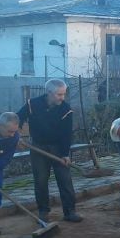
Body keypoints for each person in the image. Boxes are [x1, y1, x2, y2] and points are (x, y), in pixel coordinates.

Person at [17, 79, 83, 223]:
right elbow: (18, 118)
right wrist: (17, 135)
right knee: (40, 180)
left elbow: (67, 134)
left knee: (65, 180)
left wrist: (65, 154)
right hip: (38, 147)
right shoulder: (32, 104)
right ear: (49, 93)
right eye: (59, 94)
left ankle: (70, 211)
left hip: (58, 148)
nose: (62, 97)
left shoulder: (66, 109)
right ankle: (43, 211)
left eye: (63, 94)